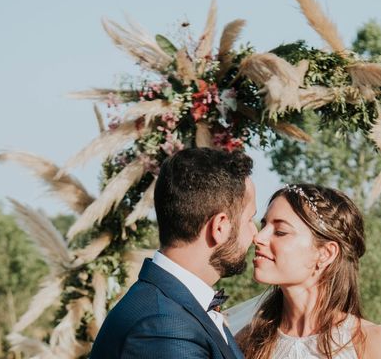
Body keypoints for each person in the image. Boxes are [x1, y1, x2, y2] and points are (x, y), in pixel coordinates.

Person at [91, 147, 258, 359]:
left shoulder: (171, 305)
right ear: (220, 227)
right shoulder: (164, 327)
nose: (255, 234)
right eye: (250, 220)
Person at [237, 184, 381, 359]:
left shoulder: (376, 343)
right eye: (263, 226)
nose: (258, 237)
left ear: (326, 253)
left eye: (280, 232)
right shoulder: (246, 342)